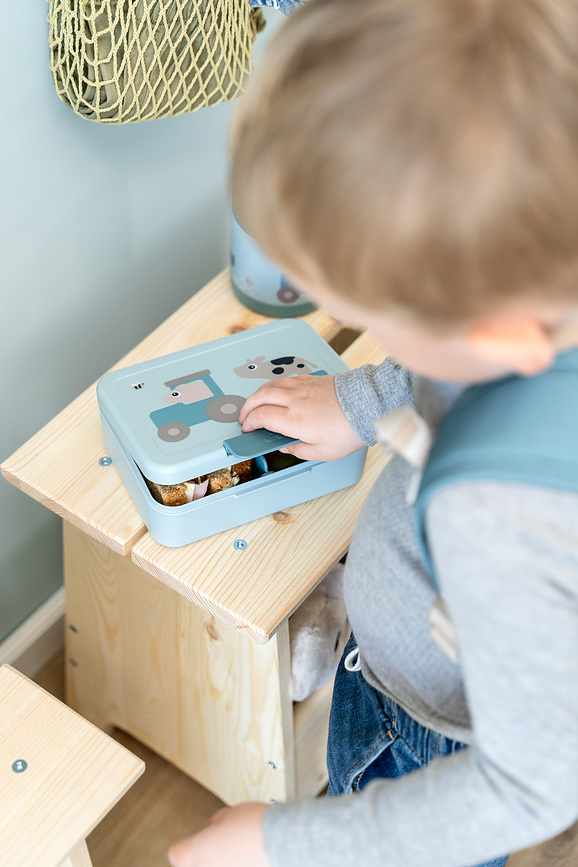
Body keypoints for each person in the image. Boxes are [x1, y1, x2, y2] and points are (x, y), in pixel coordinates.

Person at [168, 1, 578, 865]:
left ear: (497, 336)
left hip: (428, 734)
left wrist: (283, 841)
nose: (364, 332)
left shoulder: (491, 510)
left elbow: (529, 784)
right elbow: (456, 364)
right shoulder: (540, 295)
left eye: (378, 320)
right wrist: (360, 403)